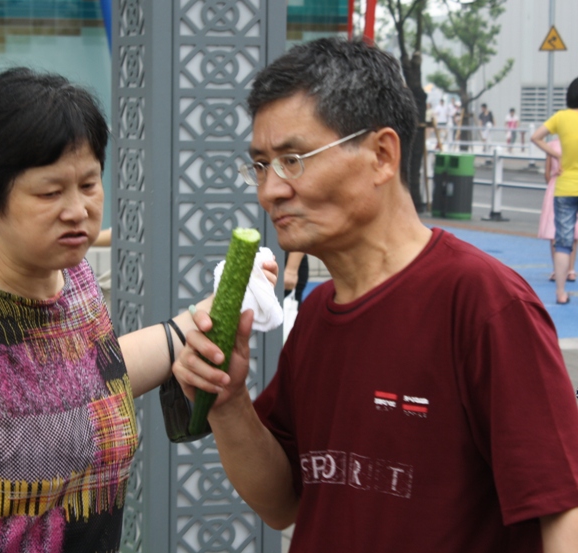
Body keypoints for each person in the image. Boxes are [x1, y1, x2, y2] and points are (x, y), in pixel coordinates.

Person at [0, 68, 278, 553]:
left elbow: (88, 376)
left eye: (89, 185)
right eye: (49, 192)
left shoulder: (73, 277)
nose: (77, 210)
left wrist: (208, 314)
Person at [174, 37, 578, 552]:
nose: (270, 190)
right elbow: (284, 505)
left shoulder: (484, 304)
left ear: (382, 155)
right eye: (259, 165)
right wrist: (229, 403)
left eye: (293, 159)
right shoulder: (320, 313)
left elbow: (561, 512)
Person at [532, 78, 578, 305]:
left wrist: (556, 154)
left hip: (565, 187)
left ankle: (560, 293)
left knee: (563, 241)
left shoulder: (561, 117)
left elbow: (535, 137)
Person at [537, 138, 578, 282]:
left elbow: (547, 173)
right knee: (573, 230)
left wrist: (552, 184)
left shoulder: (552, 144)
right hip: (574, 185)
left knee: (553, 229)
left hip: (557, 186)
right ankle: (571, 270)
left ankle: (556, 270)